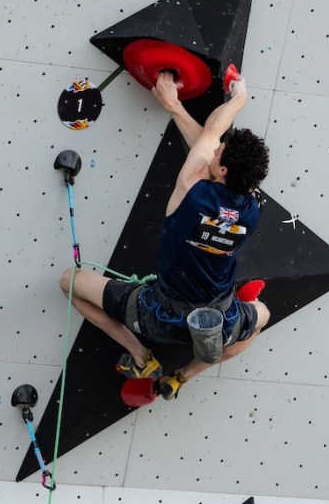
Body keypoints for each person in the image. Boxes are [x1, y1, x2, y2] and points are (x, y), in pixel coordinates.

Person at [59, 71, 271, 399]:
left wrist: (236, 99)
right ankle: (181, 377)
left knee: (69, 282)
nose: (215, 152)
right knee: (262, 316)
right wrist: (178, 110)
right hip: (221, 317)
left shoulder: (191, 189)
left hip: (159, 313)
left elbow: (211, 133)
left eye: (220, 154)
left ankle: (142, 357)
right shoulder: (253, 206)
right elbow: (207, 143)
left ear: (223, 171)